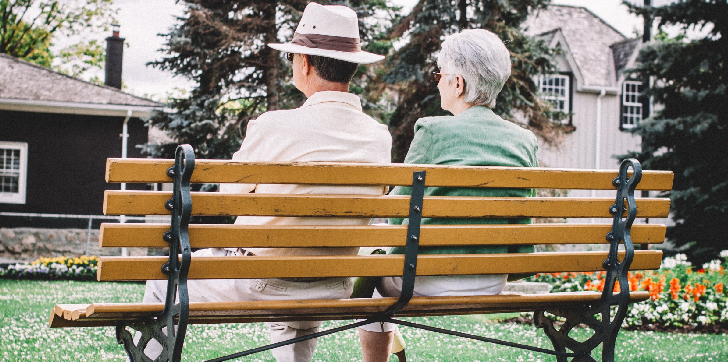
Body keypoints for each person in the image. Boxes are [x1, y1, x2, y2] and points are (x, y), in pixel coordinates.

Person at [141, 3, 392, 362]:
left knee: (160, 280)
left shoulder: (273, 126)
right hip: (333, 283)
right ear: (352, 67)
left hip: (263, 281)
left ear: (304, 62)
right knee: (295, 281)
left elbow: (229, 200)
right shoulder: (378, 137)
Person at [357, 29, 539, 362]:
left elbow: (399, 216)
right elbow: (520, 224)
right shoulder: (524, 140)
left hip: (420, 281)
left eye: (440, 74)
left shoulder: (432, 130)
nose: (437, 82)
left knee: (369, 269)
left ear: (457, 83)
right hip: (490, 281)